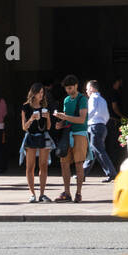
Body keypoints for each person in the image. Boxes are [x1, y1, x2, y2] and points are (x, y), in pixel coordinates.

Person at [53, 74, 88, 202]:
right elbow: (66, 120)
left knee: (79, 164)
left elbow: (81, 119)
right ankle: (67, 192)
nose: (69, 91)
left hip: (80, 134)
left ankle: (78, 193)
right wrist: (59, 124)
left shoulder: (82, 99)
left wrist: (65, 117)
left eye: (71, 88)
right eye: (67, 88)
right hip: (68, 134)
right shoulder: (66, 100)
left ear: (76, 86)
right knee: (64, 164)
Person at [20, 83, 54, 203]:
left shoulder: (45, 107)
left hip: (43, 137)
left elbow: (49, 127)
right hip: (31, 137)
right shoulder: (26, 107)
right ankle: (32, 193)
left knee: (43, 165)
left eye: (42, 93)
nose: (41, 95)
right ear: (33, 93)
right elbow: (24, 127)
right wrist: (31, 119)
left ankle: (42, 194)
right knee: (30, 166)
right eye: (39, 93)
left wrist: (48, 117)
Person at [82, 79, 117, 182]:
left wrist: (84, 120)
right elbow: (107, 115)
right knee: (93, 151)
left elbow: (91, 111)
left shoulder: (93, 98)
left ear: (92, 89)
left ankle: (112, 173)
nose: (86, 91)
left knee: (99, 150)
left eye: (87, 89)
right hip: (102, 126)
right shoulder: (102, 99)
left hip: (95, 127)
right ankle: (82, 173)